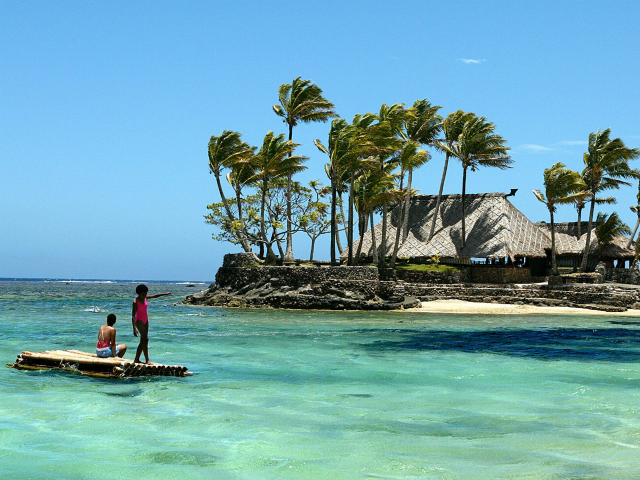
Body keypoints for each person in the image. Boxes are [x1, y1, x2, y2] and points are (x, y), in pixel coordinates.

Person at [132, 284, 172, 364]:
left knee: (143, 340)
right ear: (138, 293)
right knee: (146, 339)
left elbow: (155, 295)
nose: (144, 296)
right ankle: (147, 360)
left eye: (145, 294)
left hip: (145, 320)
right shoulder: (135, 302)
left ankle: (136, 359)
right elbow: (133, 315)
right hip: (139, 321)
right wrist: (134, 328)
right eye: (143, 294)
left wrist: (165, 294)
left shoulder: (146, 297)